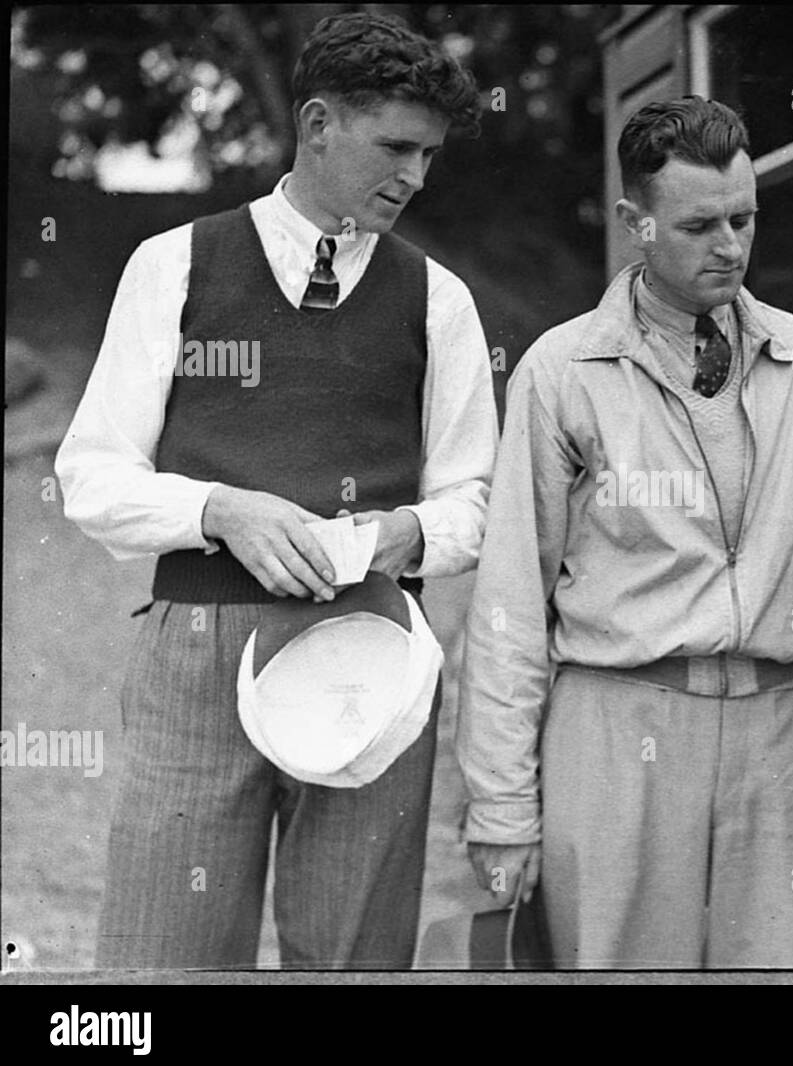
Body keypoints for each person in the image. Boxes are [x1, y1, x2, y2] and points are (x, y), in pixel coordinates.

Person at [55, 12, 496, 970]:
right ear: (318, 122)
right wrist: (217, 509)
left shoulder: (441, 302)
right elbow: (89, 475)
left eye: (429, 156)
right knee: (165, 952)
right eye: (395, 147)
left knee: (351, 955)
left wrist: (401, 535)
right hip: (199, 652)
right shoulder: (174, 264)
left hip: (371, 654)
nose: (414, 178)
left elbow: (475, 502)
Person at [455, 96, 793, 969]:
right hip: (620, 729)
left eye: (744, 219)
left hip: (789, 730)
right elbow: (508, 604)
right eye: (699, 225)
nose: (730, 246)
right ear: (635, 224)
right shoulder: (561, 372)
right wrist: (501, 807)